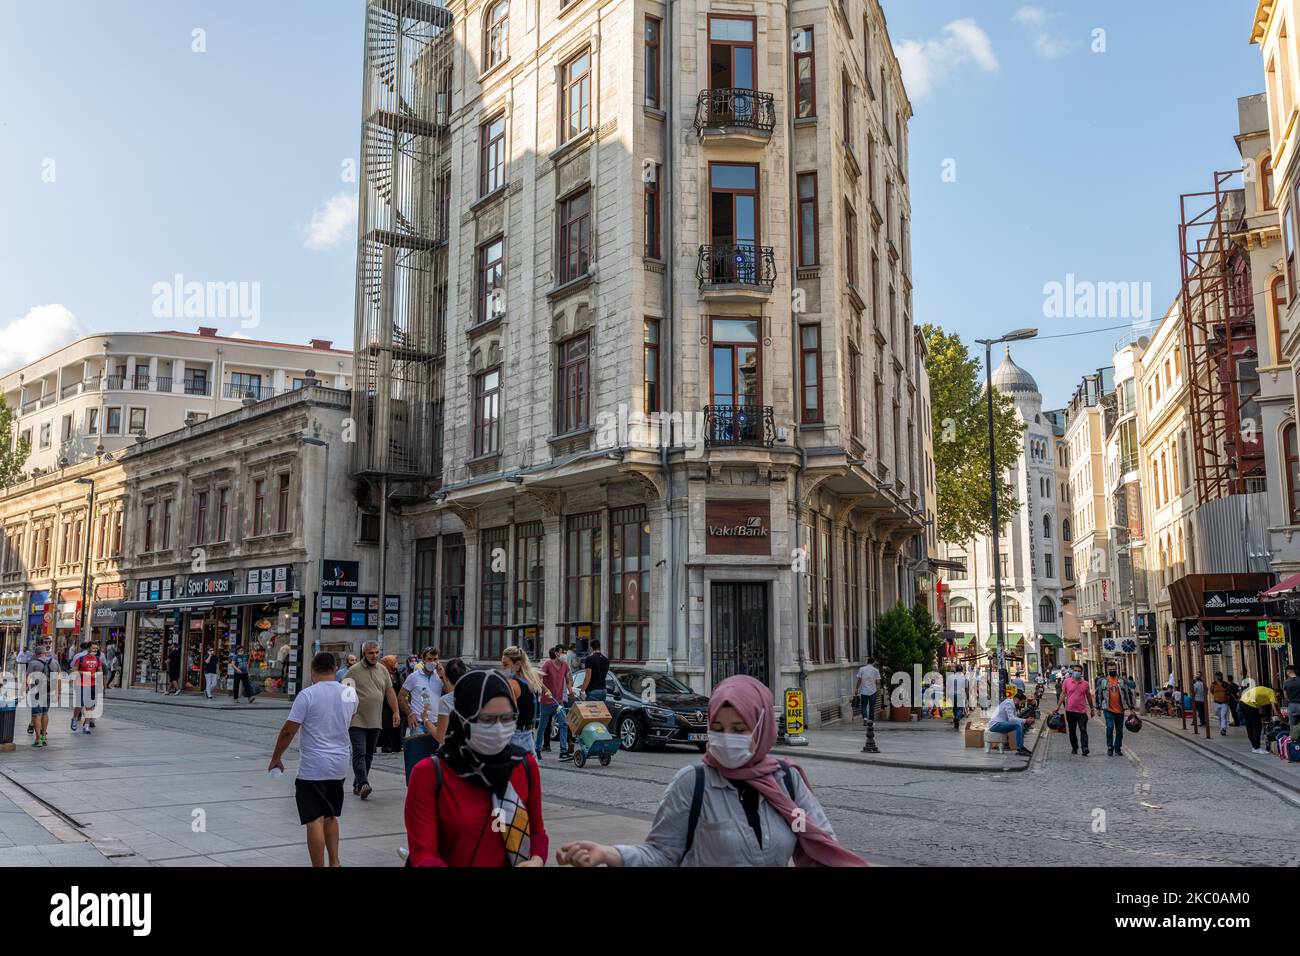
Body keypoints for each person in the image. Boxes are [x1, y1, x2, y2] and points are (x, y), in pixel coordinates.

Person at [558, 675, 865, 867]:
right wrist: (611, 855)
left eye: (738, 728)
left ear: (761, 729)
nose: (725, 736)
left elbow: (815, 840)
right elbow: (662, 855)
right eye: (718, 727)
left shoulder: (787, 781)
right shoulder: (693, 783)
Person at [403, 669, 547, 867]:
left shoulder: (524, 764)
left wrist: (537, 860)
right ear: (463, 718)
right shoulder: (429, 774)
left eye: (507, 718)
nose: (498, 728)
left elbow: (537, 831)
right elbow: (423, 852)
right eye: (487, 719)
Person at [269, 653, 358, 867]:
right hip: (339, 765)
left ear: (312, 670)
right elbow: (349, 718)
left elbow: (288, 731)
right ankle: (335, 863)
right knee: (330, 815)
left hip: (314, 767)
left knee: (314, 819)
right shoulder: (349, 693)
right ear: (335, 669)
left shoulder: (307, 695)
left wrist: (276, 758)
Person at [343, 641, 399, 799]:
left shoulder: (383, 670)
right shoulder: (353, 671)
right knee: (359, 752)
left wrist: (396, 711)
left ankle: (357, 784)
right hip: (357, 720)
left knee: (368, 754)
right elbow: (345, 694)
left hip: (375, 719)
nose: (374, 656)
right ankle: (363, 784)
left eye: (376, 652)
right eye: (370, 653)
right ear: (364, 654)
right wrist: (347, 714)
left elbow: (389, 691)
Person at [500, 645, 542, 756]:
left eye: (505, 665)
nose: (503, 669)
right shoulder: (531, 680)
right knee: (531, 770)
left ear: (517, 664)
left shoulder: (511, 683)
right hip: (527, 733)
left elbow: (509, 714)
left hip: (515, 735)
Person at [18, 639, 59, 748]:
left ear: (36, 654)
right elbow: (58, 678)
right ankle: (44, 737)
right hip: (49, 691)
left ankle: (38, 739)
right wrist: (57, 693)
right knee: (45, 714)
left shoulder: (33, 663)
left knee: (36, 715)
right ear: (45, 653)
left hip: (36, 692)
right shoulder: (54, 662)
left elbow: (27, 678)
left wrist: (23, 690)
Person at [1094, 661, 1137, 756]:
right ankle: (1110, 747)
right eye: (1110, 670)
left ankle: (1118, 747)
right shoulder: (1102, 681)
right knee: (1109, 727)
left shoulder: (1122, 681)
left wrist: (1131, 708)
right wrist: (1098, 708)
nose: (1112, 671)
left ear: (1116, 669)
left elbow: (1127, 694)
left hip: (1120, 710)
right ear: (1107, 670)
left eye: (1114, 669)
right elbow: (1098, 694)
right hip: (1108, 709)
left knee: (1119, 730)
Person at [537, 645, 571, 760]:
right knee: (542, 726)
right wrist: (545, 689)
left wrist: (570, 689)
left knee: (564, 724)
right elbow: (539, 678)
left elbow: (568, 678)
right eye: (562, 652)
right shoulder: (548, 664)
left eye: (565, 652)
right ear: (556, 653)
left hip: (558, 702)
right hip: (546, 701)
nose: (564, 655)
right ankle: (537, 750)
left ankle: (563, 751)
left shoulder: (565, 665)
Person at [399, 648, 442, 739]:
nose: (432, 662)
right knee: (419, 752)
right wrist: (409, 713)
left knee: (434, 752)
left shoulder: (439, 676)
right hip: (418, 723)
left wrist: (442, 675)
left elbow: (450, 691)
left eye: (435, 659)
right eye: (429, 659)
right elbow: (401, 696)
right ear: (423, 660)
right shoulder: (414, 677)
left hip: (436, 723)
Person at [1057, 664, 1094, 756]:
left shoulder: (1085, 683)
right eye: (1075, 670)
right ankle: (1075, 747)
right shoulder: (1066, 682)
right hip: (1070, 711)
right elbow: (1063, 694)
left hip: (1082, 712)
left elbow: (1089, 696)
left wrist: (1092, 708)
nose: (1077, 672)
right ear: (1072, 671)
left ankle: (1085, 747)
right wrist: (1058, 707)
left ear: (1081, 673)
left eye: (1078, 671)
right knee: (1072, 730)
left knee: (1083, 729)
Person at [430, 658, 468, 743]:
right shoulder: (474, 695)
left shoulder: (445, 700)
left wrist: (426, 720)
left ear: (447, 676)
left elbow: (441, 737)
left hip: (454, 750)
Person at [1239, 680, 1282, 755]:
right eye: (1280, 697)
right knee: (1257, 726)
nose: (1279, 700)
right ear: (1277, 693)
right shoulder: (1272, 693)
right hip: (1249, 704)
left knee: (1250, 726)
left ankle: (1254, 747)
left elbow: (1259, 702)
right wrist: (1281, 719)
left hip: (1243, 702)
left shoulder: (1267, 692)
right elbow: (1275, 709)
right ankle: (1257, 747)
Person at [987, 690, 1034, 757]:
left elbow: (1014, 718)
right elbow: (1012, 719)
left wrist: (1025, 721)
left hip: (1000, 724)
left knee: (1019, 724)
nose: (1022, 705)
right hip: (995, 725)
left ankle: (1021, 747)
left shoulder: (1012, 705)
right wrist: (1025, 720)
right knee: (1017, 725)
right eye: (1022, 703)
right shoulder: (1008, 703)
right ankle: (1020, 748)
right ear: (1017, 700)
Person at [71, 640, 103, 734]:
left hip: (92, 685)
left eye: (96, 648)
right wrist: (87, 674)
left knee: (89, 705)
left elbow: (100, 672)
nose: (95, 650)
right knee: (80, 705)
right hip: (80, 684)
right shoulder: (80, 659)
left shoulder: (98, 660)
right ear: (88, 648)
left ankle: (86, 726)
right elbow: (74, 671)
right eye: (93, 648)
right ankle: (74, 718)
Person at [378, 655, 403, 754]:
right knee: (385, 725)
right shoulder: (382, 673)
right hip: (384, 703)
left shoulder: (396, 673)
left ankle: (396, 745)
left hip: (395, 702)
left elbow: (399, 686)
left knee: (396, 724)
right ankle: (385, 745)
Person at [855, 657, 881, 725]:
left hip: (864, 690)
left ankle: (865, 718)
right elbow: (878, 682)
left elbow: (859, 680)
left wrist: (856, 689)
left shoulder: (861, 669)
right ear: (873, 662)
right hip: (873, 691)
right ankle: (871, 720)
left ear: (867, 662)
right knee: (872, 706)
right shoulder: (876, 670)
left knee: (863, 705)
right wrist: (878, 690)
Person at [1210, 672, 1231, 736]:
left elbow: (1228, 691)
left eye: (1220, 676)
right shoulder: (1213, 684)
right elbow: (1212, 691)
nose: (1219, 677)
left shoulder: (1225, 684)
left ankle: (1223, 729)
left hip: (1224, 703)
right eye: (1218, 676)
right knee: (1219, 716)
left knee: (1223, 716)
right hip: (1216, 703)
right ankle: (1222, 727)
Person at [949, 665, 968, 730]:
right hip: (959, 694)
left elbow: (947, 686)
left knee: (954, 708)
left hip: (951, 694)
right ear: (962, 670)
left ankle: (956, 722)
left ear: (956, 670)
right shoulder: (964, 678)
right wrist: (967, 696)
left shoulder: (950, 677)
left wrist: (945, 695)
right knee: (960, 708)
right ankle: (957, 718)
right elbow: (966, 688)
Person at [1284, 664, 1300, 736]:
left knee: (1293, 727)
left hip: (1292, 706)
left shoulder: (1286, 682)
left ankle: (1295, 744)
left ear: (1288, 672)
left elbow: (1285, 696)